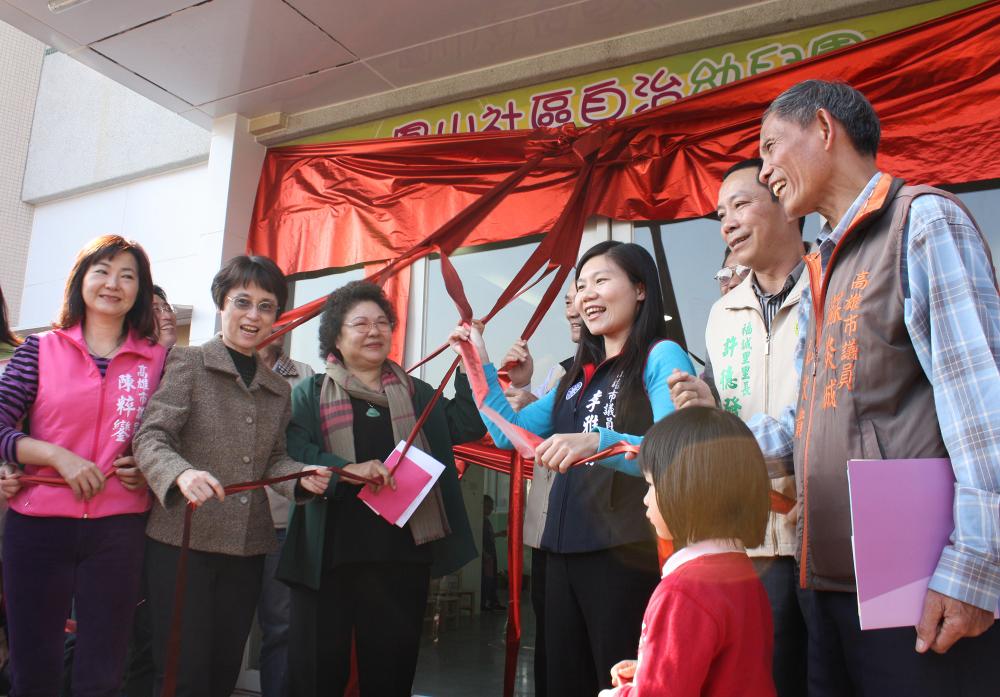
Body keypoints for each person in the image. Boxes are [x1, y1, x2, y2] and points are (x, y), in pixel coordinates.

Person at [757, 79, 1000, 694]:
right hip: (830, 581)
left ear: (822, 128)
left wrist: (976, 567)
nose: (764, 173)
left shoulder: (921, 222)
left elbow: (983, 410)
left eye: (769, 148)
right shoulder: (822, 263)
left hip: (916, 587)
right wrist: (702, 442)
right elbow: (805, 422)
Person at [449, 241, 695, 696]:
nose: (587, 295)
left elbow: (676, 450)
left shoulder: (660, 357)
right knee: (562, 680)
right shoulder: (573, 377)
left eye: (601, 280)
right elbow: (512, 433)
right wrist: (477, 359)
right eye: (581, 286)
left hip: (625, 555)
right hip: (557, 557)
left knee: (619, 680)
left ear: (640, 289)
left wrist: (598, 442)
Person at [134, 255, 331, 697]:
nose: (253, 316)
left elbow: (274, 461)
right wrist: (181, 474)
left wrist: (302, 476)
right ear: (222, 304)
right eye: (243, 302)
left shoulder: (279, 388)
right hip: (182, 541)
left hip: (247, 546)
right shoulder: (187, 362)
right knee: (181, 671)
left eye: (266, 306)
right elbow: (151, 438)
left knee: (224, 667)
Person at [277, 280, 481, 697]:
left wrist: (469, 364)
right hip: (328, 556)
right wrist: (349, 469)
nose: (374, 331)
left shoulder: (417, 393)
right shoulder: (311, 393)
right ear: (335, 335)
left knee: (390, 674)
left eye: (382, 322)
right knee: (315, 675)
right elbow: (295, 449)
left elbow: (467, 423)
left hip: (400, 559)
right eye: (360, 324)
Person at [0, 235, 167, 697]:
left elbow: (168, 438)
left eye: (127, 275)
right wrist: (54, 455)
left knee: (102, 672)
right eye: (102, 270)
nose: (113, 283)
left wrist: (146, 468)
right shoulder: (39, 350)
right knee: (34, 672)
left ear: (141, 291)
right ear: (81, 280)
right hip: (36, 525)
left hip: (119, 529)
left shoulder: (159, 360)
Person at [668, 158, 809, 696]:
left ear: (786, 202)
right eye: (720, 212)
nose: (726, 221)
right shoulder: (721, 314)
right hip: (747, 541)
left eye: (742, 204)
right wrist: (707, 411)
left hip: (826, 534)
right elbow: (726, 417)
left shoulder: (832, 292)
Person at [600, 407, 775, 697]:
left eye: (651, 485)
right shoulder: (740, 570)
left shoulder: (682, 591)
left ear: (687, 489)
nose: (645, 500)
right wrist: (649, 666)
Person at [499, 285, 581, 697]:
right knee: (552, 639)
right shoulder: (560, 375)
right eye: (568, 299)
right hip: (551, 527)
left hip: (604, 533)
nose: (574, 308)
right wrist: (525, 389)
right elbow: (508, 434)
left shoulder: (643, 362)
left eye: (587, 291)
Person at [256, 340, 314, 697]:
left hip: (280, 521)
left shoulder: (304, 375)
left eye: (272, 308)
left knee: (281, 627)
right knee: (217, 626)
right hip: (223, 520)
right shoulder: (215, 365)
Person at [480, 494, 506, 611]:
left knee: (493, 579)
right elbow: (480, 538)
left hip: (491, 555)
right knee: (487, 580)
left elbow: (489, 537)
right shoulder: (481, 522)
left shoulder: (487, 521)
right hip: (487, 556)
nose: (490, 510)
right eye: (488, 507)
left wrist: (499, 534)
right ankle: (485, 602)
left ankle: (492, 601)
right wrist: (484, 554)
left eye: (491, 507)